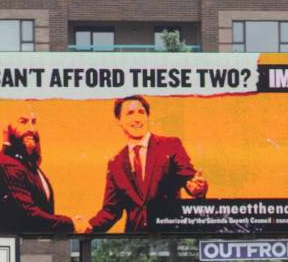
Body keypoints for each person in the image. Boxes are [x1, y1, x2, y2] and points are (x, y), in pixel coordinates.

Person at [86, 95, 208, 234]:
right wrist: (88, 227)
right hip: (135, 241)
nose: (137, 118)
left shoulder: (170, 145)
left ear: (147, 117)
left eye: (141, 112)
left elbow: (189, 180)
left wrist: (197, 188)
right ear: (118, 120)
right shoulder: (116, 163)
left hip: (169, 236)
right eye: (130, 113)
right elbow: (110, 211)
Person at [0, 111, 89, 235]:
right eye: (23, 121)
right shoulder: (5, 165)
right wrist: (71, 224)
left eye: (33, 122)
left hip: (32, 249)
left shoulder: (26, 165)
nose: (31, 129)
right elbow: (29, 216)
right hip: (19, 250)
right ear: (4, 126)